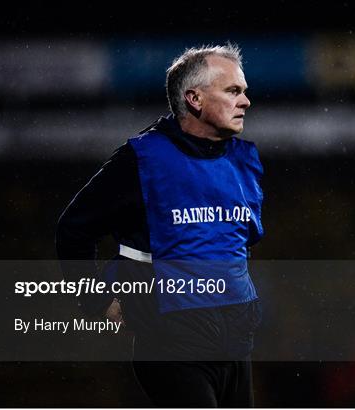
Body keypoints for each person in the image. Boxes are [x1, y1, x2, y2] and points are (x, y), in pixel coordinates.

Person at [56, 43, 264, 407]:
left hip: (235, 351)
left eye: (243, 91)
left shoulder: (243, 160)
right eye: (233, 91)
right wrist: (96, 300)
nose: (245, 100)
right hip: (172, 349)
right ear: (195, 98)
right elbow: (74, 229)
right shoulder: (143, 160)